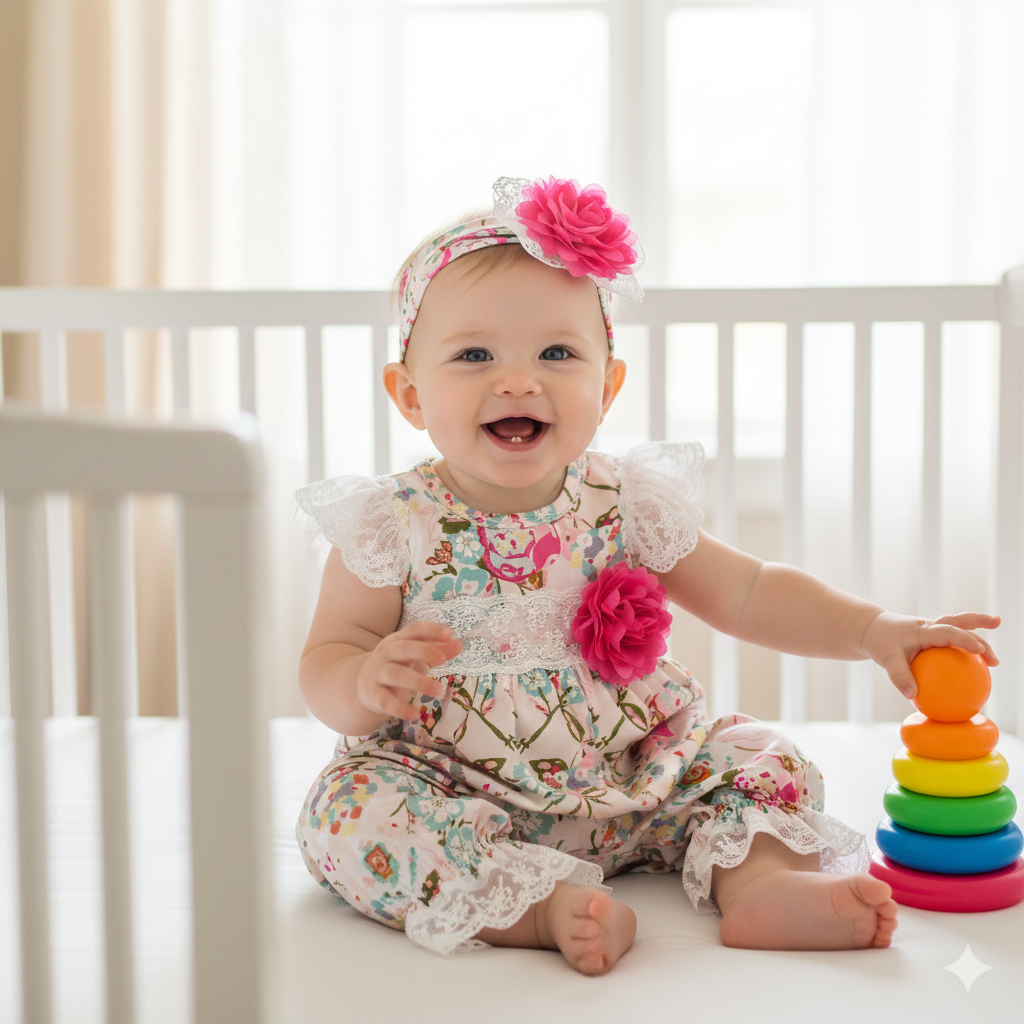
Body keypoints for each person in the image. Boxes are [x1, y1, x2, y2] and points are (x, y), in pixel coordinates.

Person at [294, 175, 999, 976]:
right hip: (456, 789)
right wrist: (363, 681)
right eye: (474, 355)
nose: (518, 380)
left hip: (636, 779)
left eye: (557, 353)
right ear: (410, 395)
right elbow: (326, 658)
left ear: (609, 384)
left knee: (756, 754)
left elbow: (751, 590)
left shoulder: (626, 501)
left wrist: (873, 630)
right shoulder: (390, 522)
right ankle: (534, 907)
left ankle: (760, 883)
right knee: (344, 816)